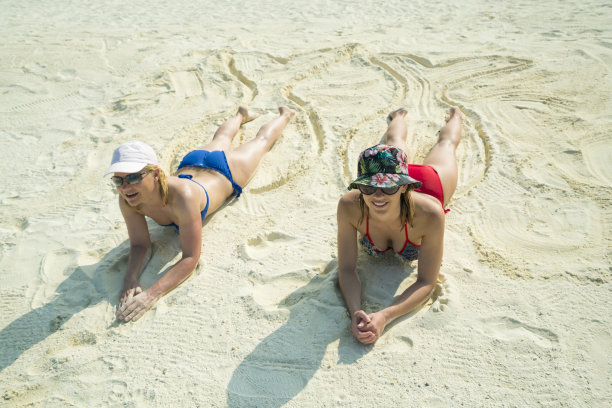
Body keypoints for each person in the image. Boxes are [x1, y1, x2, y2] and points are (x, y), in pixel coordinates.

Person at [105, 106, 294, 322]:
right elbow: (140, 244)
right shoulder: (128, 199)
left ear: (156, 174)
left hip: (226, 171)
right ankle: (241, 115)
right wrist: (130, 279)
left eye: (133, 177)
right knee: (221, 137)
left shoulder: (183, 197)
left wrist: (151, 295)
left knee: (261, 142)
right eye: (118, 180)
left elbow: (190, 258)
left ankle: (285, 114)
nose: (125, 187)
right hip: (192, 163)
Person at [337, 107, 462, 344]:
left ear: (404, 185)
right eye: (369, 186)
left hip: (430, 185)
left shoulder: (430, 215)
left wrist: (385, 316)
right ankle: (398, 116)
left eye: (389, 187)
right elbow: (345, 269)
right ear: (359, 186)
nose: (378, 195)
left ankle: (455, 116)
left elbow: (426, 281)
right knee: (393, 142)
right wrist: (355, 311)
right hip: (394, 169)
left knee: (446, 145)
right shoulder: (349, 206)